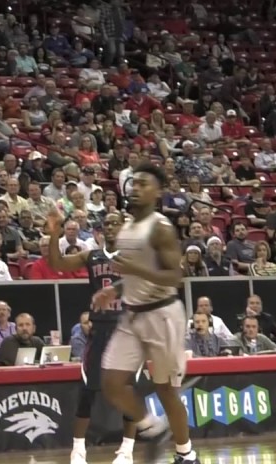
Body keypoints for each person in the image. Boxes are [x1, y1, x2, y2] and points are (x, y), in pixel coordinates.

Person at [92, 163, 197, 464]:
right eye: (133, 183)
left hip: (163, 315)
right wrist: (115, 290)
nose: (135, 188)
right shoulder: (126, 227)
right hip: (133, 314)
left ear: (158, 192)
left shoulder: (161, 228)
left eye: (143, 184)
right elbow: (136, 276)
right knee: (111, 382)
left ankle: (186, 454)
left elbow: (174, 278)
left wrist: (132, 270)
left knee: (165, 390)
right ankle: (151, 428)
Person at [46, 209, 137, 464]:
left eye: (115, 223)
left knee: (128, 390)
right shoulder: (91, 255)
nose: (109, 227)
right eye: (106, 224)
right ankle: (78, 450)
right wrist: (54, 235)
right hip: (99, 331)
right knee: (88, 390)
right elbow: (57, 264)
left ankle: (126, 451)